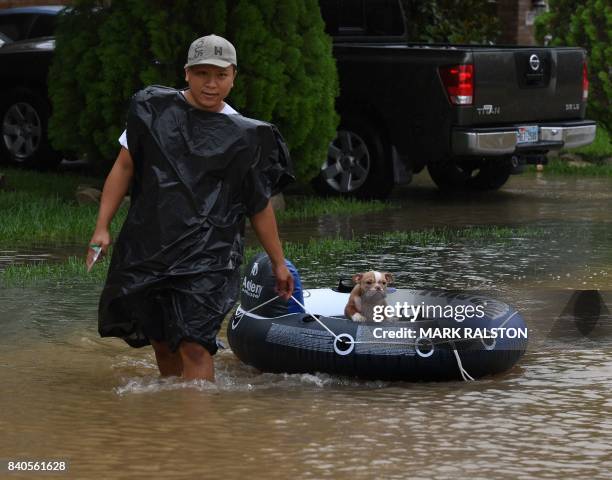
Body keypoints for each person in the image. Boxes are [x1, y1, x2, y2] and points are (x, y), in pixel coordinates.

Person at [88, 34, 294, 382]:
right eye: (201, 74)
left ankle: (199, 431)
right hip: (150, 246)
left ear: (233, 77)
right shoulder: (153, 112)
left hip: (209, 254)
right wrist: (102, 227)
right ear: (186, 73)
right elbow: (124, 167)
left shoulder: (245, 136)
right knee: (162, 342)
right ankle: (173, 427)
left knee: (195, 345)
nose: (210, 84)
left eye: (220, 75)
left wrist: (278, 262)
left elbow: (258, 205)